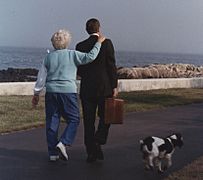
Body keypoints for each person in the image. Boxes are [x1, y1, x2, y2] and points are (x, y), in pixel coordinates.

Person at [32, 29, 105, 161]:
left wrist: (36, 93)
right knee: (74, 119)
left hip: (51, 92)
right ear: (67, 42)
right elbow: (90, 57)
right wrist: (98, 43)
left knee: (52, 122)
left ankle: (53, 153)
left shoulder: (48, 57)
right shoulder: (73, 55)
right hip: (68, 91)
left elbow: (41, 77)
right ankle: (64, 142)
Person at [76, 18, 118, 163]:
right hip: (104, 87)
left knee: (88, 121)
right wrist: (114, 86)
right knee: (106, 117)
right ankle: (99, 140)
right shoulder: (107, 43)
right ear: (99, 28)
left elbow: (79, 68)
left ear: (86, 30)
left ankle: (91, 152)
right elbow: (111, 66)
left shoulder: (80, 45)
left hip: (87, 88)